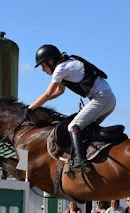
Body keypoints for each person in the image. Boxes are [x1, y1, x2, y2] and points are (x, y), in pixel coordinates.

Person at [27, 44, 116, 174]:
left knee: (73, 126)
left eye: (43, 65)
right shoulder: (67, 64)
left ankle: (80, 161)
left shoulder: (60, 68)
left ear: (51, 61)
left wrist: (30, 108)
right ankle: (92, 155)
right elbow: (58, 92)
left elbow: (47, 94)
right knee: (85, 129)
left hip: (101, 98)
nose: (43, 70)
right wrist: (36, 104)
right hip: (108, 99)